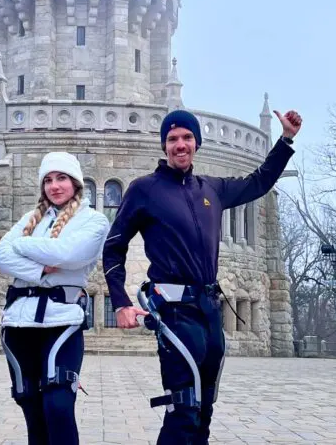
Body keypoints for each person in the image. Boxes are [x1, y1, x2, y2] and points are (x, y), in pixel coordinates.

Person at [102, 108, 302, 444]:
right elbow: (114, 247)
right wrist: (120, 301)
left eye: (186, 138)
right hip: (174, 312)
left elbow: (260, 181)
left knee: (205, 410)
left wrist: (285, 140)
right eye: (172, 139)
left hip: (210, 310)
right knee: (183, 409)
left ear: (197, 143)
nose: (180, 145)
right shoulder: (144, 190)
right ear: (164, 145)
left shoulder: (212, 188)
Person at [0, 152, 110, 445]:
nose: (55, 186)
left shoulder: (93, 221)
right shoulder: (30, 220)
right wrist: (40, 268)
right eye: (48, 180)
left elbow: (68, 254)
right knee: (30, 403)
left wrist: (22, 245)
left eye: (62, 178)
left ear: (76, 183)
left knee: (57, 404)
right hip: (19, 321)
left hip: (62, 321)